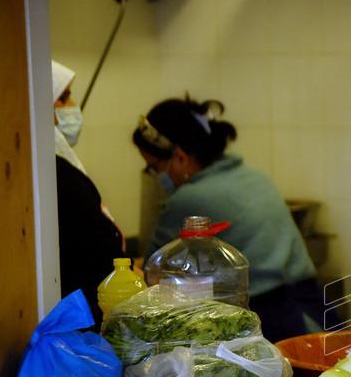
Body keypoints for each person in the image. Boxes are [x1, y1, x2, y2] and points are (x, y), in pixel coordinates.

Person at [132, 96, 324, 341]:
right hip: (313, 307)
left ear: (180, 157)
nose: (157, 177)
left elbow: (152, 272)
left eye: (154, 167)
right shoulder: (254, 178)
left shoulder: (189, 199)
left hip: (268, 317)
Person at [51, 60, 125, 324]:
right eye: (63, 98)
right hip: (78, 319)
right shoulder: (52, 174)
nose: (72, 107)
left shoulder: (64, 169)